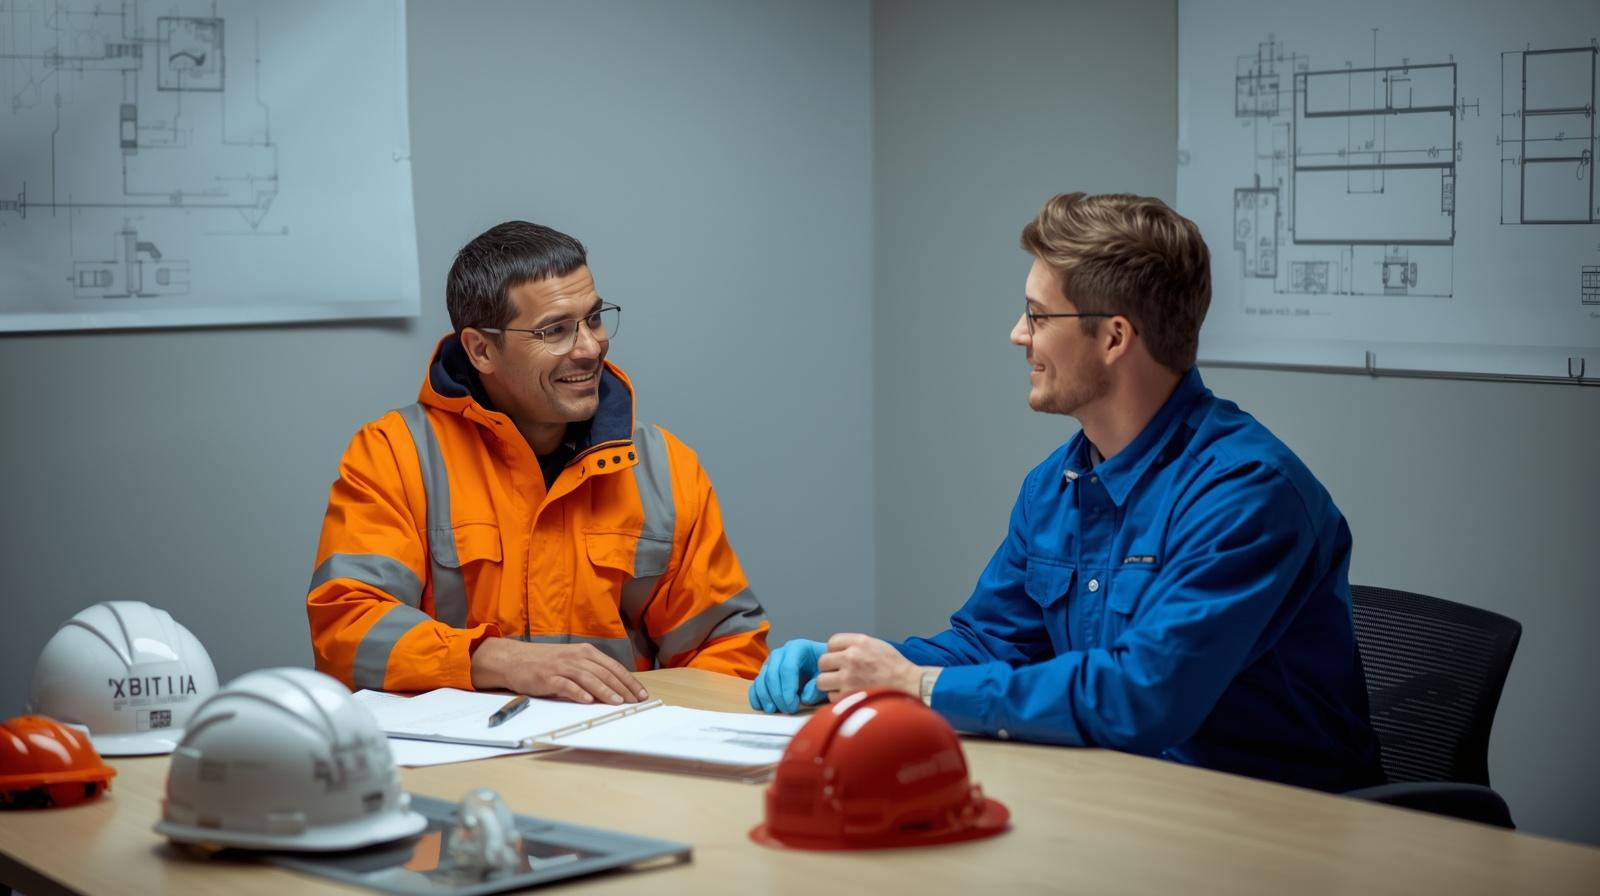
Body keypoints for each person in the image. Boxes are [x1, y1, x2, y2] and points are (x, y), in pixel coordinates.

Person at [749, 193, 1384, 792]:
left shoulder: (1247, 495)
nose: (1018, 334)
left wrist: (920, 687)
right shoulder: (1058, 484)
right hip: (1126, 802)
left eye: (1038, 315)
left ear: (1114, 338)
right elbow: (989, 642)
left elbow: (1141, 696)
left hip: (1272, 831)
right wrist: (861, 668)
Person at [309, 221, 769, 705]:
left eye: (593, 319)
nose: (590, 347)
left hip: (612, 760)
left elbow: (727, 648)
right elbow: (347, 629)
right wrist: (495, 659)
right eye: (555, 330)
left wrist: (663, 738)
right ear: (481, 350)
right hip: (454, 767)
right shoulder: (395, 455)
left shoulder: (664, 468)